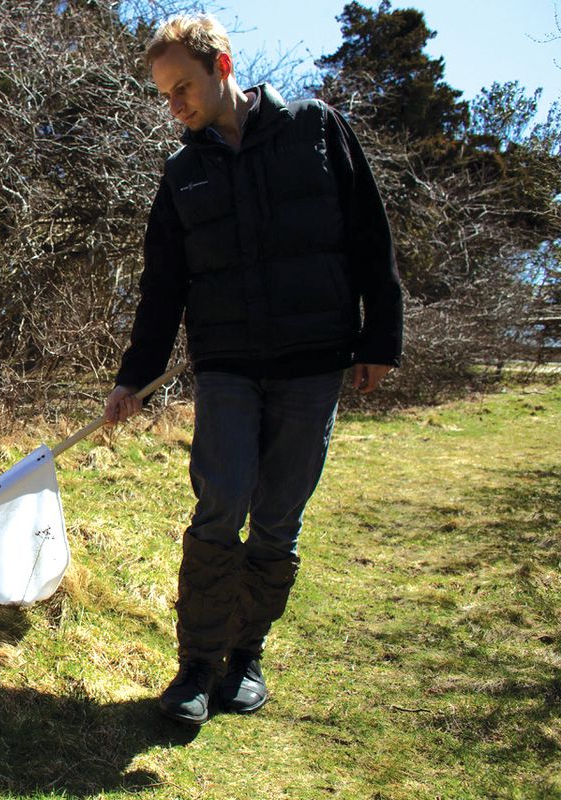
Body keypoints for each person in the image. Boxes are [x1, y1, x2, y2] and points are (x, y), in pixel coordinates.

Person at [103, 14, 403, 725]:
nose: (175, 106)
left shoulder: (316, 129)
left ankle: (245, 659)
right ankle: (195, 671)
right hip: (229, 368)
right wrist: (132, 378)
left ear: (222, 65)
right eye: (165, 95)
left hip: (313, 363)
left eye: (183, 87)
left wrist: (378, 338)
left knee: (276, 520)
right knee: (221, 503)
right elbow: (162, 287)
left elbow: (369, 234)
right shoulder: (182, 174)